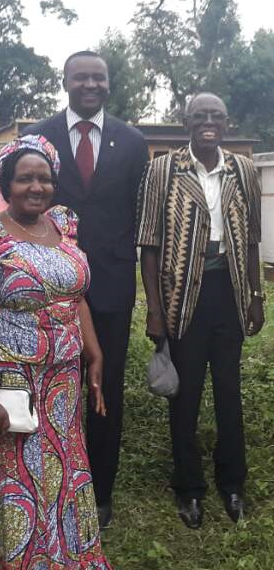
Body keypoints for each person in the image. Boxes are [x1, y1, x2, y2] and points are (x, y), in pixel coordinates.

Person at [24, 50, 149, 528]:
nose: (91, 85)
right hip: (49, 282)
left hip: (112, 287)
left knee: (104, 389)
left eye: (99, 77)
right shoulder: (38, 136)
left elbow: (140, 214)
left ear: (109, 83)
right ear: (65, 81)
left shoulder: (133, 142)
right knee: (48, 383)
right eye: (81, 77)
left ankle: (99, 492)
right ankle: (43, 481)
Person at [136, 92, 264, 529]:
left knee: (229, 393)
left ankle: (233, 484)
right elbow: (149, 244)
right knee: (184, 397)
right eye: (200, 116)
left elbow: (251, 239)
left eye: (217, 116)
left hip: (228, 291)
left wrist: (255, 295)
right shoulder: (164, 169)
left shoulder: (242, 169)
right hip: (181, 298)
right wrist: (154, 310)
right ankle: (189, 489)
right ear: (185, 121)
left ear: (226, 123)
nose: (209, 122)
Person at [0, 135, 112, 568]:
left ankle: (70, 555)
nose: (36, 187)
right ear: (7, 185)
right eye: (25, 178)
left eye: (44, 178)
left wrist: (94, 353)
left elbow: (76, 297)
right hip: (14, 379)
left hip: (63, 379)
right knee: (20, 472)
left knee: (65, 464)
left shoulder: (63, 225)